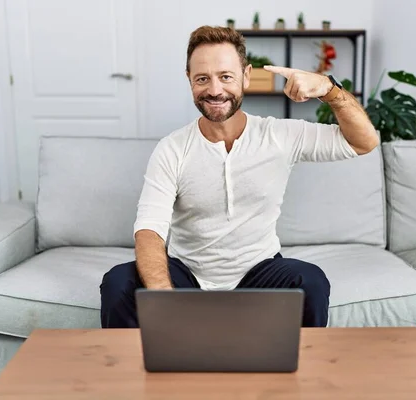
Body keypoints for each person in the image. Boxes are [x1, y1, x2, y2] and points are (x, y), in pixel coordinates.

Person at [100, 25, 379, 329]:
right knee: (118, 283)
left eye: (226, 76)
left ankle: (298, 374)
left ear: (246, 76)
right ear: (189, 80)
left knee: (310, 281)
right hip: (187, 274)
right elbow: (149, 230)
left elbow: (363, 141)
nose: (215, 90)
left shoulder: (281, 135)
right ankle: (135, 373)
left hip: (259, 272)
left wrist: (329, 89)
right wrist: (164, 298)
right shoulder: (172, 149)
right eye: (202, 78)